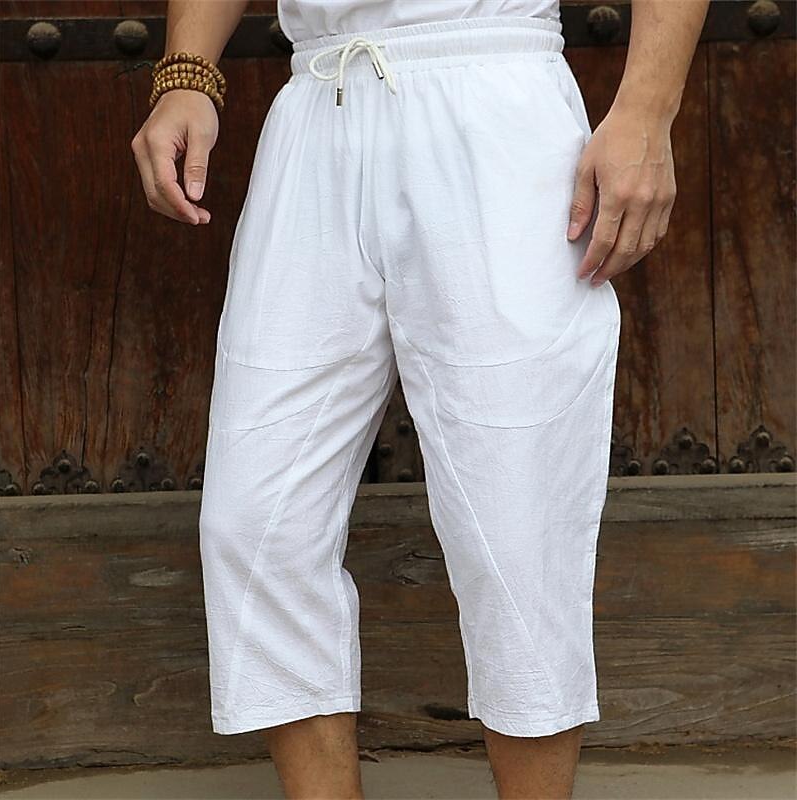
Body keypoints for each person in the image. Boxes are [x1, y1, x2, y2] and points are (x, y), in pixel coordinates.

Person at [132, 1, 708, 797]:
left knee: (518, 524)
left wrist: (647, 107)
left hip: (492, 93)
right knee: (255, 520)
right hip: (319, 102)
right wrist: (186, 74)